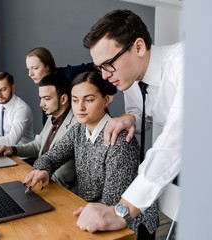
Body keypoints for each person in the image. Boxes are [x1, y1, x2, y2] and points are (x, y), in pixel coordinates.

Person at [73, 9, 184, 238]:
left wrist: (121, 210)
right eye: (99, 68)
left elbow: (178, 139)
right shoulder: (131, 79)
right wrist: (130, 118)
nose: (104, 76)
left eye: (108, 64)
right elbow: (143, 115)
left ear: (139, 47)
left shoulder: (185, 63)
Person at [24, 71, 158, 238]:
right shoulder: (79, 129)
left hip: (129, 226)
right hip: (93, 211)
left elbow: (111, 204)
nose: (80, 107)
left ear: (106, 100)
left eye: (89, 100)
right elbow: (51, 157)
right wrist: (44, 169)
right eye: (75, 100)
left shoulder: (120, 140)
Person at [0, 73, 78, 192]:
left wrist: (33, 182)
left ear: (63, 99)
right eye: (41, 98)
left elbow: (63, 175)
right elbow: (38, 145)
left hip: (58, 188)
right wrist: (13, 149)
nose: (41, 104)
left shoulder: (76, 125)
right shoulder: (52, 116)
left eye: (47, 99)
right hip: (40, 178)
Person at [26, 47, 117, 124]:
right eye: (28, 69)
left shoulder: (68, 73)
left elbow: (96, 65)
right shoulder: (44, 87)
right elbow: (47, 122)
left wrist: (110, 91)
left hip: (93, 121)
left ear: (47, 66)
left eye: (35, 68)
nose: (30, 74)